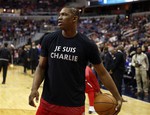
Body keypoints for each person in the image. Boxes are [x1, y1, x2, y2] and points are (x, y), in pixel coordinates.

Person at [29, 6, 123, 115]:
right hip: (47, 103)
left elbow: (102, 73)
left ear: (74, 19)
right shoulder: (49, 39)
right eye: (59, 14)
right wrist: (34, 89)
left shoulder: (87, 45)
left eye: (64, 15)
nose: (59, 17)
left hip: (73, 106)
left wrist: (117, 96)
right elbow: (41, 67)